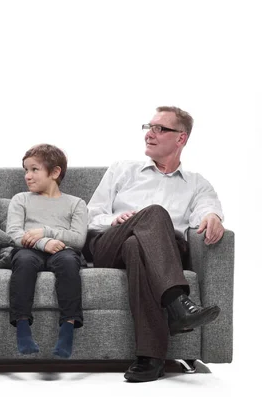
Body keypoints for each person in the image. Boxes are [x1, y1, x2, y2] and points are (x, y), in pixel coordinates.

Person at [86, 106, 223, 382]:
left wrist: (213, 216)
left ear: (181, 139)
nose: (150, 134)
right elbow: (90, 216)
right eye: (149, 127)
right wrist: (115, 220)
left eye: (160, 129)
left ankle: (150, 359)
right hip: (109, 244)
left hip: (156, 250)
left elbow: (208, 210)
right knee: (154, 213)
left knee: (137, 246)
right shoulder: (122, 170)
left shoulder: (197, 184)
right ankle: (176, 301)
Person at [6, 144, 87, 357]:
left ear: (55, 172)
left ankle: (67, 330)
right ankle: (23, 329)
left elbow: (78, 239)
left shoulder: (76, 203)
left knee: (69, 263)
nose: (27, 176)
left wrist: (46, 232)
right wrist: (43, 242)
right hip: (28, 249)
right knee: (23, 261)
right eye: (25, 170)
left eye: (34, 169)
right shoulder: (20, 199)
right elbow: (14, 234)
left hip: (63, 250)